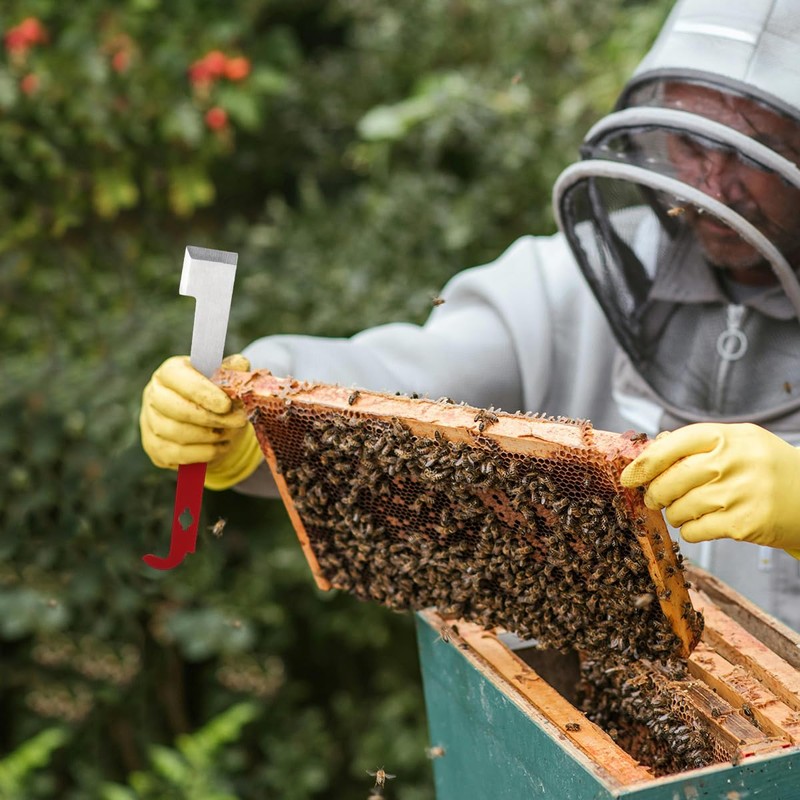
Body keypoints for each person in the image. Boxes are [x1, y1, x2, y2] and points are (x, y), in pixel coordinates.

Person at [140, 0, 800, 631]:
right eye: (690, 142)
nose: (712, 184)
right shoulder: (572, 280)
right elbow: (413, 380)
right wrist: (258, 409)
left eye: (754, 150)